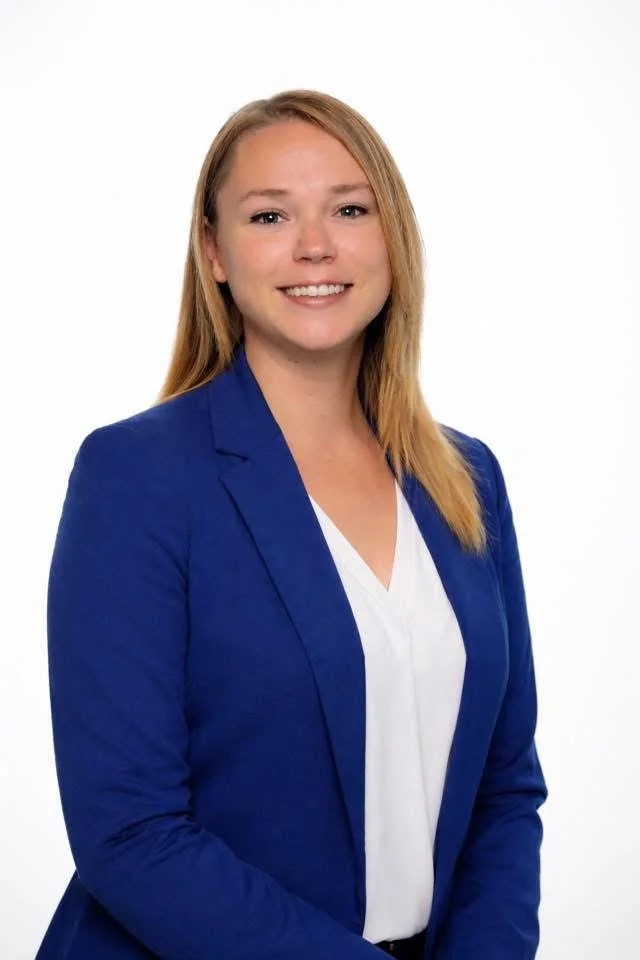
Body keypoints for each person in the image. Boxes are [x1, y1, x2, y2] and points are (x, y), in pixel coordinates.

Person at [35, 89, 547, 960]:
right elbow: (132, 832)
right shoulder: (140, 476)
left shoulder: (467, 480)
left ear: (393, 237)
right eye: (270, 214)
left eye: (350, 209)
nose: (316, 245)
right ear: (215, 252)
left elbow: (504, 787)